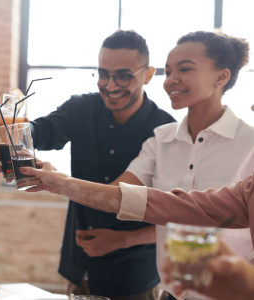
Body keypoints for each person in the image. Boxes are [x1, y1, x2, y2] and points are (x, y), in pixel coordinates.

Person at [22, 31, 254, 300]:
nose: (170, 80)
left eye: (184, 69)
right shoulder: (160, 140)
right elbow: (121, 195)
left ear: (221, 76)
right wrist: (59, 182)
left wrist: (122, 239)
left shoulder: (249, 144)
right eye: (168, 72)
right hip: (172, 293)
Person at [22, 30, 176, 299]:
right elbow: (42, 130)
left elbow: (175, 217)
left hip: (135, 276)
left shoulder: (165, 131)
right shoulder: (80, 108)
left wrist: (123, 240)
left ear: (148, 75)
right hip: (79, 268)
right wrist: (10, 132)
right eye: (103, 74)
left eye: (123, 76)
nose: (110, 85)